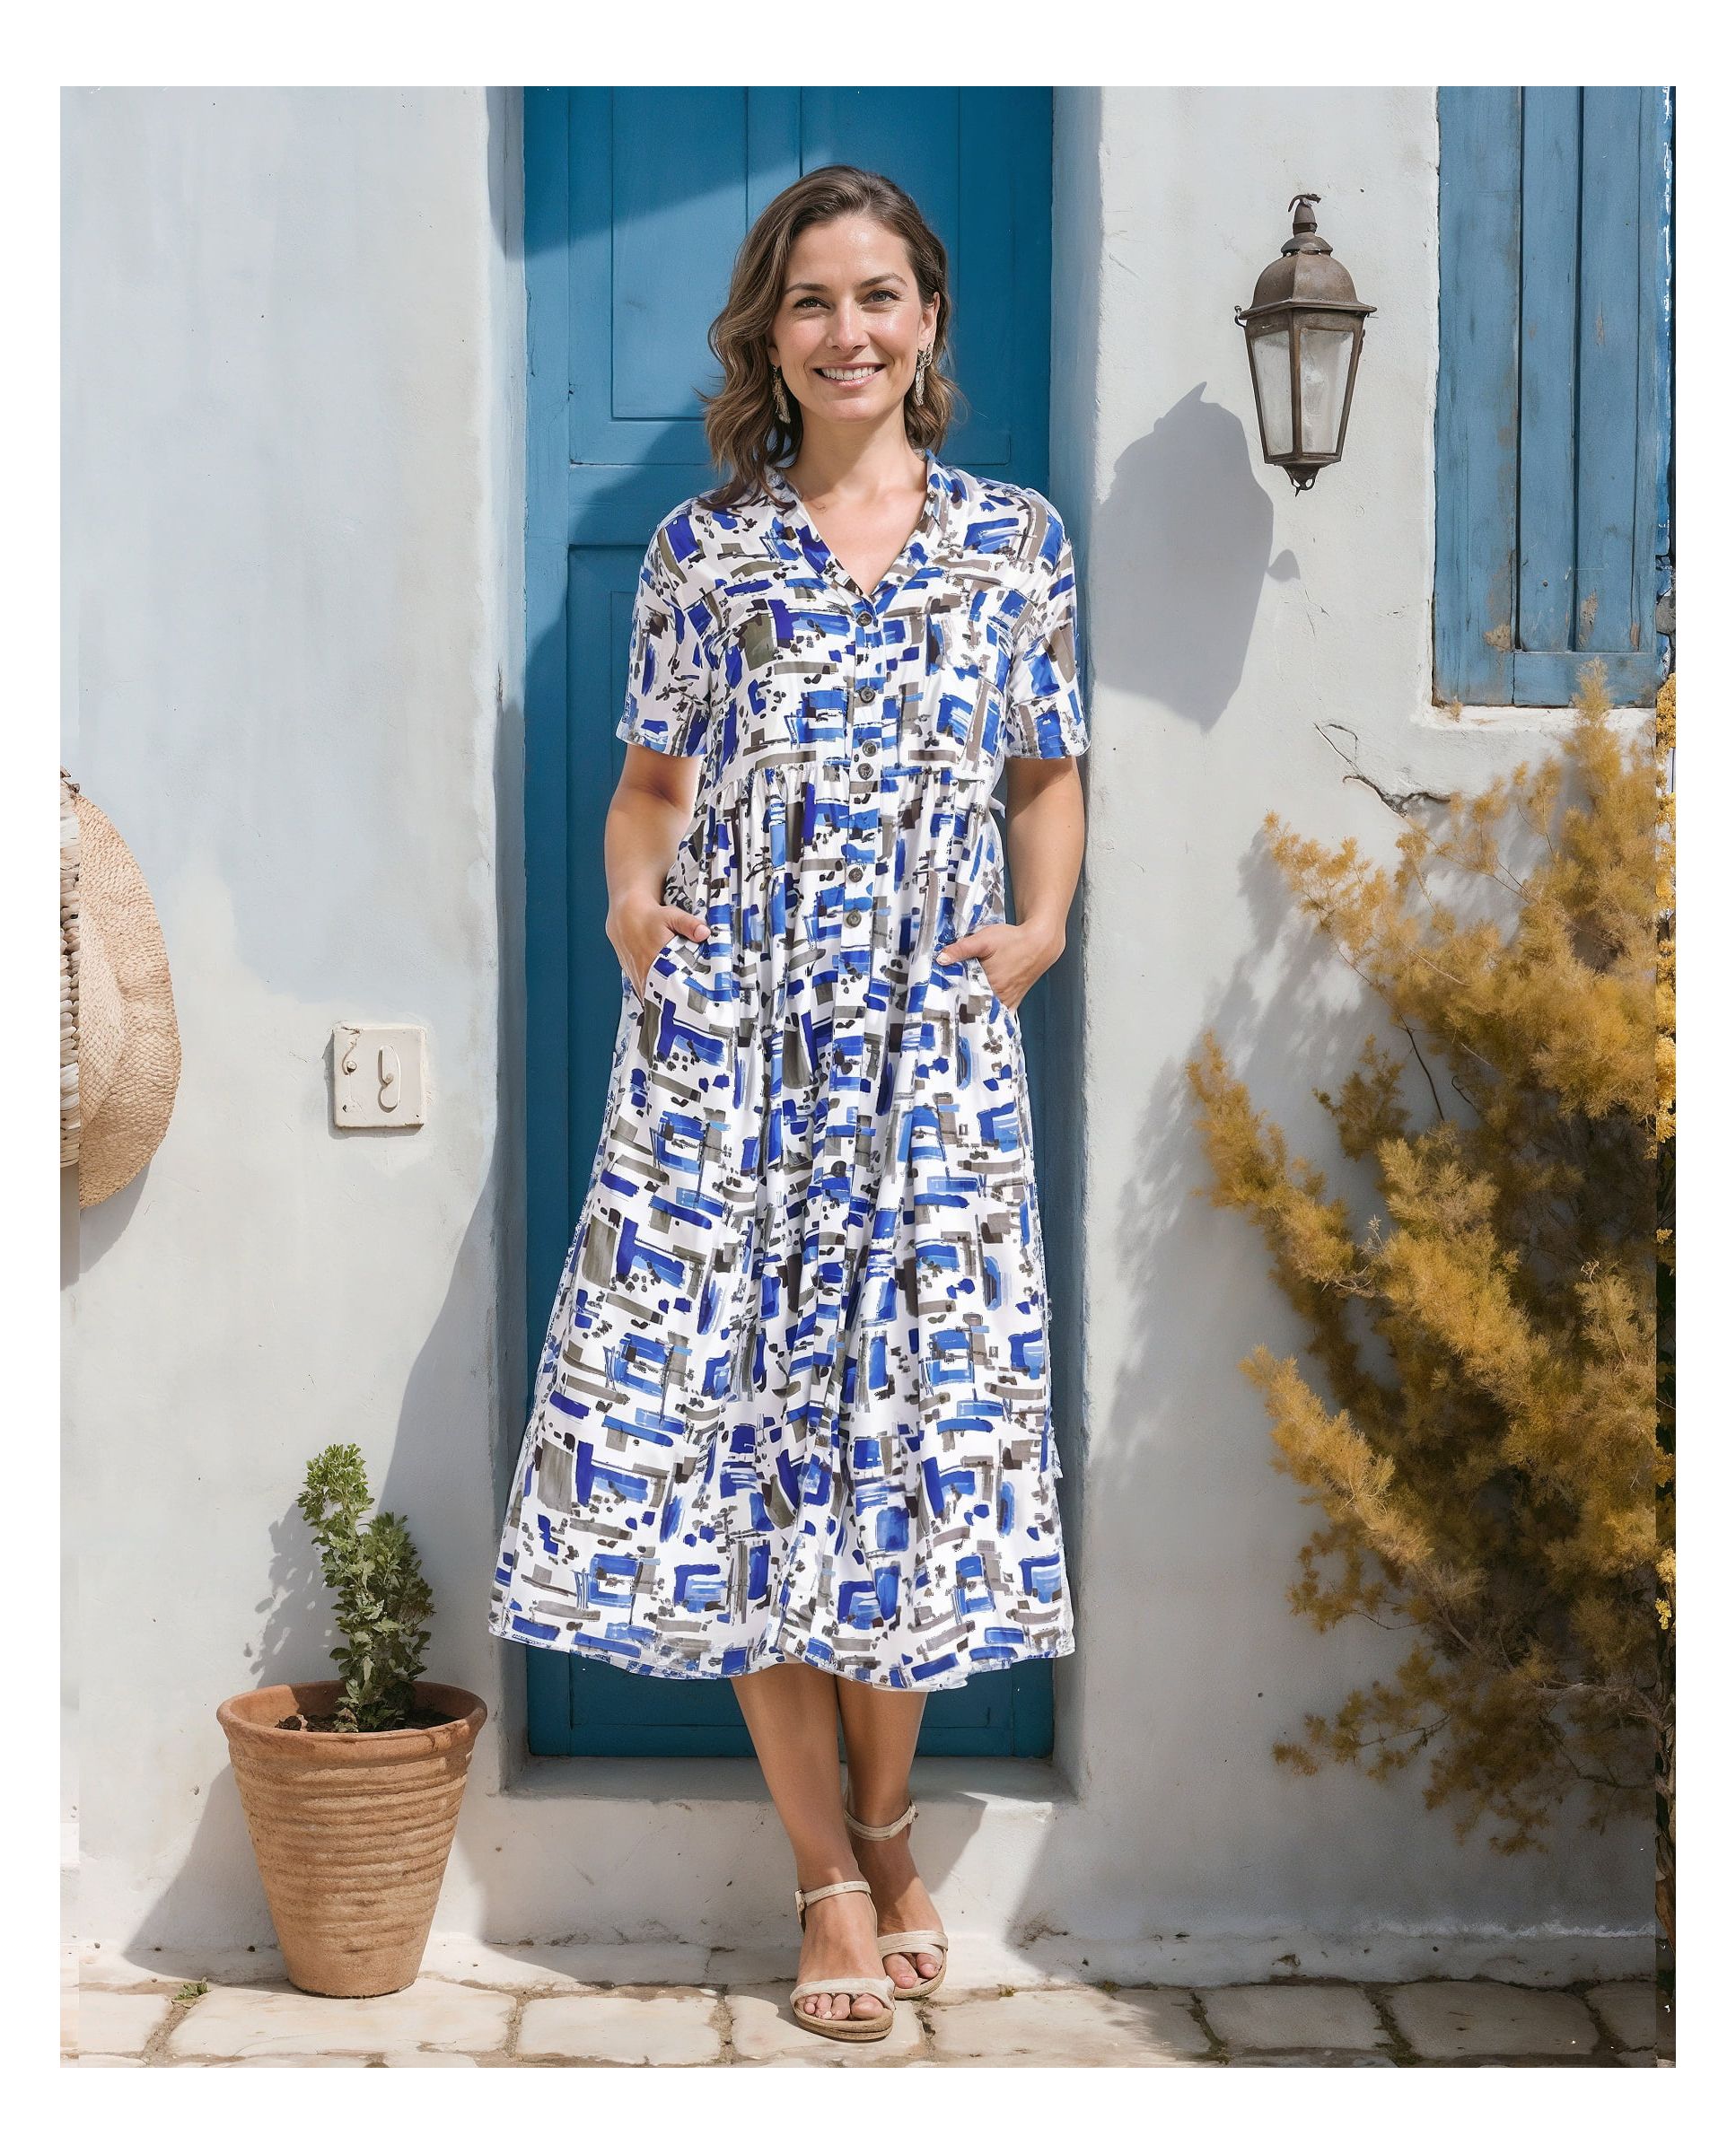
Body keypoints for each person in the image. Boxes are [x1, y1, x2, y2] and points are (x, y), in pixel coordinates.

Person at [489, 164, 1089, 2045]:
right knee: (754, 1444)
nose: (847, 331)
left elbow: (1043, 769)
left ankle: (899, 1828)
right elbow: (650, 791)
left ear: (928, 326)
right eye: (811, 301)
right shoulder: (704, 554)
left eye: (880, 296)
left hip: (923, 1055)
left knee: (913, 1439)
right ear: (770, 333)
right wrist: (627, 898)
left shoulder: (1016, 543)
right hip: (736, 1048)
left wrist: (1040, 930)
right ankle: (828, 1876)